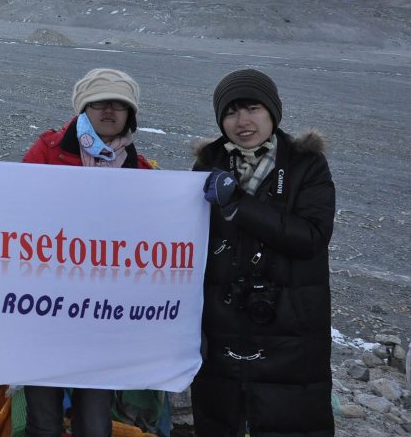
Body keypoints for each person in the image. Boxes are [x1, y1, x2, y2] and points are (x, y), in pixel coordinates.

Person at [22, 68, 168, 437]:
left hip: (102, 314)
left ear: (129, 114)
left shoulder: (140, 169)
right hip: (46, 306)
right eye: (100, 102)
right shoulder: (47, 152)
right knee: (43, 418)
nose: (109, 110)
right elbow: (18, 213)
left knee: (96, 419)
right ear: (83, 107)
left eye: (119, 105)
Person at [193, 68, 335, 436]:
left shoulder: (307, 165)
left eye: (253, 108)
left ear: (273, 111)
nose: (242, 121)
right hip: (222, 324)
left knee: (290, 421)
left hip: (292, 327)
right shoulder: (208, 165)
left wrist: (239, 204)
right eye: (230, 112)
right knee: (218, 420)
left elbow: (311, 237)